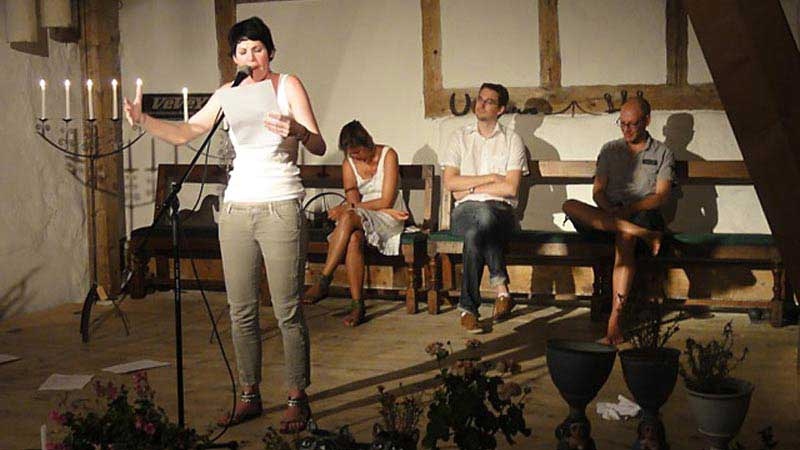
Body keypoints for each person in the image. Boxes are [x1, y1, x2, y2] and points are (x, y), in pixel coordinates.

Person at [123, 16, 326, 432]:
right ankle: (249, 394)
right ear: (234, 58)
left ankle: (296, 396)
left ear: (270, 51)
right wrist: (143, 120)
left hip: (280, 205)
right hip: (236, 209)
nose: (251, 57)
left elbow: (319, 144)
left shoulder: (288, 85)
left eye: (258, 49)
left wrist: (298, 130)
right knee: (241, 310)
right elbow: (186, 132)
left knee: (286, 309)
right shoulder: (227, 94)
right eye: (242, 51)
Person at [562, 97, 674, 344]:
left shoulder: (662, 152)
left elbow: (661, 196)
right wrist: (610, 209)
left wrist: (629, 210)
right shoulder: (609, 150)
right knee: (569, 205)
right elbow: (598, 191)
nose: (627, 129)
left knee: (625, 236)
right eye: (622, 124)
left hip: (642, 213)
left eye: (633, 124)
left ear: (647, 121)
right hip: (610, 213)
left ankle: (615, 320)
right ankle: (643, 235)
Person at [441, 82, 529, 333]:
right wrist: (490, 178)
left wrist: (468, 188)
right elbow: (450, 183)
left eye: (489, 101)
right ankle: (501, 289)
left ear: (500, 109)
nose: (480, 104)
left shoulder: (512, 140)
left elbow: (511, 188)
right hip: (464, 211)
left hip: (500, 211)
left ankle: (468, 309)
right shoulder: (459, 137)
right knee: (481, 217)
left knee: (476, 232)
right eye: (480, 99)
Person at [302, 120, 409, 326]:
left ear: (367, 143)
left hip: (390, 215)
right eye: (351, 154)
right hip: (363, 215)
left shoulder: (388, 155)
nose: (356, 157)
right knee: (353, 239)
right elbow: (353, 201)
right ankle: (357, 305)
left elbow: (386, 201)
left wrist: (349, 209)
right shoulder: (348, 164)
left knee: (348, 216)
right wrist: (350, 208)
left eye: (358, 152)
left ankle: (324, 280)